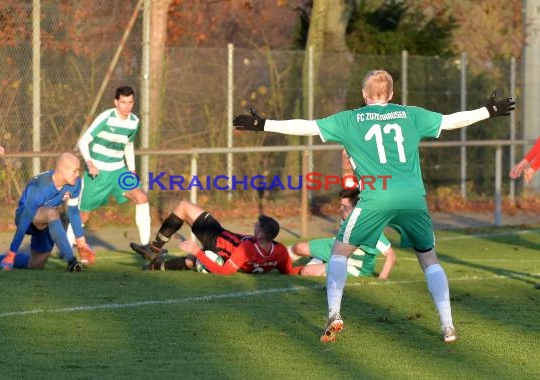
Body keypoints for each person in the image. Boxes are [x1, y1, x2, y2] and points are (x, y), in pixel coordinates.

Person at [233, 69, 515, 343]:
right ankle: (448, 325)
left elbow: (306, 126)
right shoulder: (410, 114)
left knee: (339, 251)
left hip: (377, 196)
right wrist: (487, 111)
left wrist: (264, 124)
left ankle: (333, 313)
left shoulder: (351, 120)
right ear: (391, 94)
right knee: (428, 259)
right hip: (413, 197)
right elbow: (452, 121)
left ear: (363, 94)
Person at [67, 86, 151, 256]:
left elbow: (128, 145)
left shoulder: (134, 121)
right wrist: (90, 163)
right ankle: (67, 249)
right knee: (83, 216)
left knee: (142, 198)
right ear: (116, 102)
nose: (126, 106)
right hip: (98, 172)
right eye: (123, 102)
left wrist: (132, 169)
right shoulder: (106, 118)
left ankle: (146, 247)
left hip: (119, 170)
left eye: (130, 102)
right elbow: (83, 142)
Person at [0, 152, 94, 271]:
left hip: (47, 221)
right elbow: (25, 220)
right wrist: (11, 253)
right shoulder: (40, 186)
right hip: (25, 217)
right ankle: (71, 261)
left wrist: (81, 242)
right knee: (52, 212)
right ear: (62, 170)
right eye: (75, 171)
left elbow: (73, 212)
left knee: (35, 264)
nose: (78, 174)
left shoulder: (75, 184)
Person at [130, 200, 302, 276]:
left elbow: (224, 272)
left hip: (216, 237)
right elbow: (288, 270)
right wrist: (316, 269)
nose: (254, 226)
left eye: (257, 226)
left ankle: (153, 249)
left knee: (183, 207)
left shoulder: (246, 249)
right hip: (221, 243)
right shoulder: (278, 250)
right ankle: (152, 267)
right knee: (190, 261)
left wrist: (197, 251)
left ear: (261, 234)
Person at [291, 189, 396, 279]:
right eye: (341, 205)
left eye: (344, 206)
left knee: (307, 271)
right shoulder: (345, 219)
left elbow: (391, 255)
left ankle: (317, 263)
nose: (340, 209)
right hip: (338, 251)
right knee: (298, 247)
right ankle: (277, 261)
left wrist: (382, 278)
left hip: (355, 267)